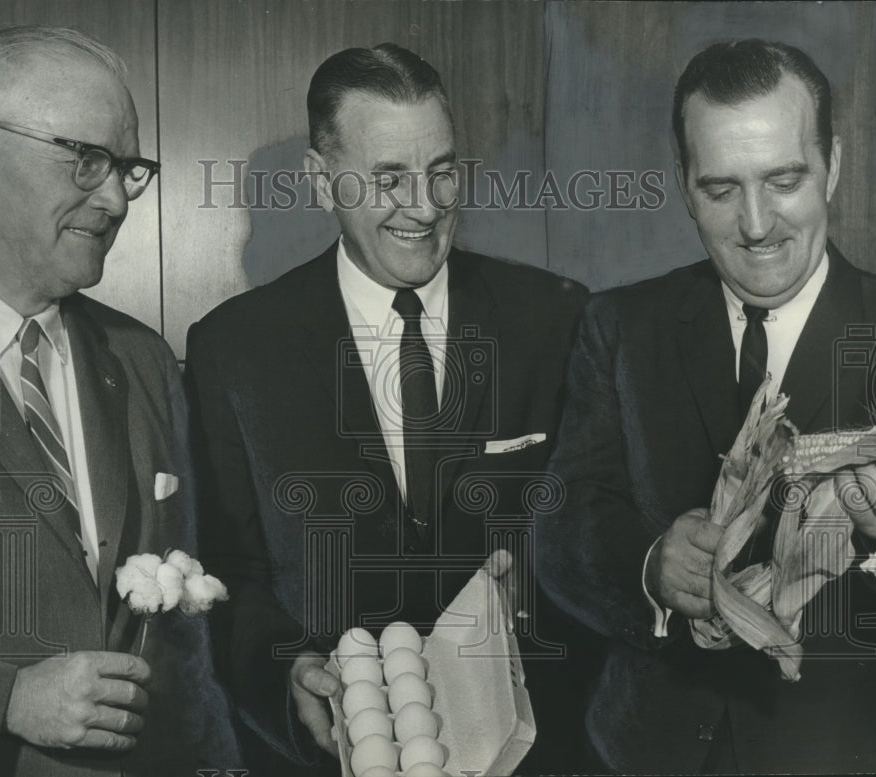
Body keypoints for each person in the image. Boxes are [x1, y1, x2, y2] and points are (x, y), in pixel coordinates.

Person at [186, 43, 595, 775]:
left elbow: (598, 524)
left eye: (442, 172)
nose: (425, 206)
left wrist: (536, 579)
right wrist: (288, 672)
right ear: (321, 180)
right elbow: (229, 574)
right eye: (390, 178)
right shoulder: (233, 350)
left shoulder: (555, 319)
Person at [538, 39, 876, 774]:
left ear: (833, 166)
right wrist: (651, 567)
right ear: (684, 183)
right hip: (641, 751)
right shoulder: (618, 325)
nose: (755, 225)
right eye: (720, 189)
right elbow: (564, 522)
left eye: (783, 180)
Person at [0, 26, 236, 776]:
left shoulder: (143, 359)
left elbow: (186, 653)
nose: (116, 196)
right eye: (87, 159)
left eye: (128, 168)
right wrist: (0, 701)